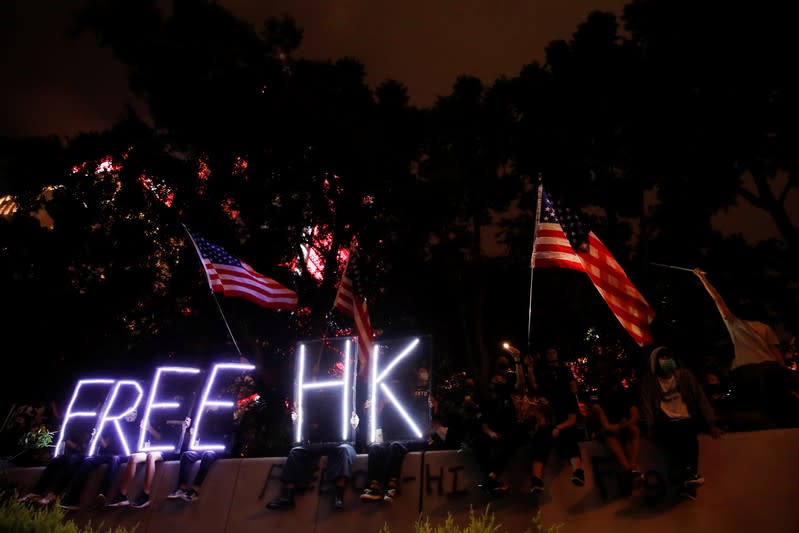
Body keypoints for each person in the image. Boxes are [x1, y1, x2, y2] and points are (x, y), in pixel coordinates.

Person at [693, 268, 799, 425]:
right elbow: (775, 353)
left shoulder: (735, 324)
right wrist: (783, 371)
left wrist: (703, 279)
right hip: (767, 368)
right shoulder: (763, 327)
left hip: (747, 370)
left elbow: (718, 300)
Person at [640, 346, 722, 501]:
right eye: (662, 358)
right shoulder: (650, 381)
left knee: (690, 440)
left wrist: (711, 423)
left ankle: (689, 479)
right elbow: (647, 405)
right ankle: (689, 478)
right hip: (665, 422)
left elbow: (700, 398)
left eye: (668, 357)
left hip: (687, 419)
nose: (667, 361)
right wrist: (649, 427)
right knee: (676, 440)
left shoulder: (685, 376)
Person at [528, 347, 585, 494]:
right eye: (549, 352)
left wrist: (559, 428)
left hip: (563, 426)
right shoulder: (544, 398)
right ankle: (536, 479)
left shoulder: (568, 396)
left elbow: (572, 419)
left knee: (569, 437)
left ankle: (578, 471)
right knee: (540, 439)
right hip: (548, 426)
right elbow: (534, 387)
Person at [107, 415, 192, 509]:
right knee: (133, 457)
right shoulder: (155, 415)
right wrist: (143, 429)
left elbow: (163, 438)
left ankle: (146, 495)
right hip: (151, 448)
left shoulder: (176, 416)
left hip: (169, 450)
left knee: (151, 456)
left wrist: (149, 428)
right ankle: (122, 495)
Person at [590, 376, 642, 488]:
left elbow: (635, 417)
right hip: (606, 429)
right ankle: (627, 469)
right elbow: (604, 422)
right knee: (609, 434)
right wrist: (614, 427)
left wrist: (622, 426)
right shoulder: (598, 399)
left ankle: (632, 469)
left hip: (621, 426)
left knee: (634, 431)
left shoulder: (626, 395)